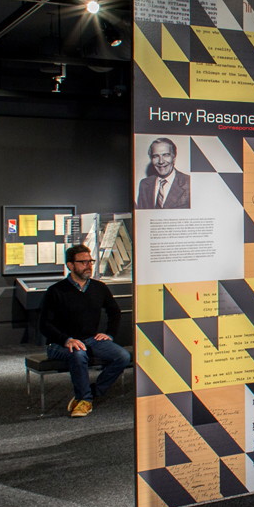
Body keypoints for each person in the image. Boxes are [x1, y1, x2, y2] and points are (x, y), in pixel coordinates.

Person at [40, 244, 128, 417]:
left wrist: (109, 333)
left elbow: (114, 312)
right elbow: (44, 325)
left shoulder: (99, 288)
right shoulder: (56, 291)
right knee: (78, 354)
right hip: (60, 343)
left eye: (90, 261)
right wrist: (66, 340)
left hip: (90, 339)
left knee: (123, 356)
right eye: (83, 262)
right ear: (70, 265)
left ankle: (89, 394)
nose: (89, 265)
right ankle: (84, 400)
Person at [136, 138, 191, 209]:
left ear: (173, 158)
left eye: (166, 155)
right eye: (155, 156)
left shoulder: (189, 182)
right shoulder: (144, 184)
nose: (161, 161)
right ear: (151, 159)